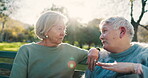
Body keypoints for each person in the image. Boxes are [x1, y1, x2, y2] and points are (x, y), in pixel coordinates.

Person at [10, 11, 99, 78]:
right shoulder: (27, 50)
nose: (63, 33)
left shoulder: (71, 50)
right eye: (59, 28)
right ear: (46, 29)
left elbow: (97, 55)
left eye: (64, 29)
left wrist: (94, 50)